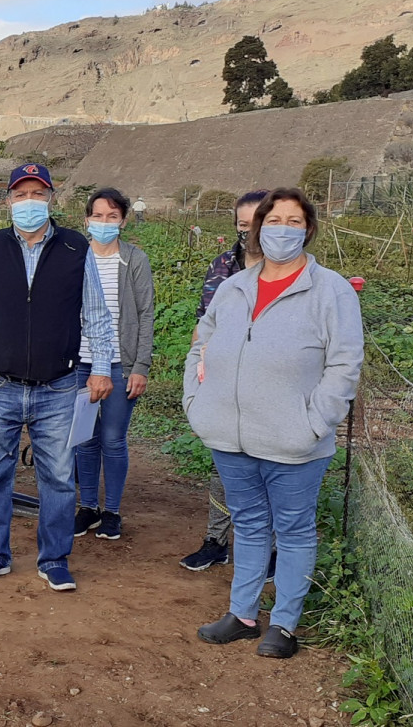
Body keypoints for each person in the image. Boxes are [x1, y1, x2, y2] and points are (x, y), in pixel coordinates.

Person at [186, 187, 363, 658]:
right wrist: (196, 403)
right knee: (247, 523)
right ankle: (242, 614)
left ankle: (283, 624)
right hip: (229, 433)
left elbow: (345, 366)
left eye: (294, 221)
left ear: (308, 230)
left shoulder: (331, 290)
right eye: (274, 220)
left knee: (294, 529)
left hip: (293, 440)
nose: (283, 229)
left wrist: (313, 423)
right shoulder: (233, 287)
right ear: (258, 228)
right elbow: (199, 344)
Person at [0, 163, 114, 592]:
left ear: (51, 200)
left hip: (59, 385)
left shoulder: (77, 249)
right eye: (21, 195)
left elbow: (96, 314)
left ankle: (55, 558)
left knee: (58, 477)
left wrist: (99, 369)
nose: (29, 203)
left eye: (37, 195)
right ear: (8, 202)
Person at [180, 190, 269, 572]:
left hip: (271, 388)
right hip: (224, 384)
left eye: (257, 225)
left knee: (271, 468)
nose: (248, 234)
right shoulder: (222, 266)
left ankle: (273, 551)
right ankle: (216, 540)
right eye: (242, 225)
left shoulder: (296, 274)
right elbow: (203, 327)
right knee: (224, 466)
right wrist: (196, 382)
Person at [72, 188, 154, 542]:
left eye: (112, 216)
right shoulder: (74, 257)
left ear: (122, 220)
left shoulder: (134, 260)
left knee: (113, 439)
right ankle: (87, 506)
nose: (104, 223)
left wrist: (141, 366)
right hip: (80, 362)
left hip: (120, 363)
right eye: (98, 216)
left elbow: (146, 314)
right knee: (84, 439)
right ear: (86, 219)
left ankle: (112, 512)